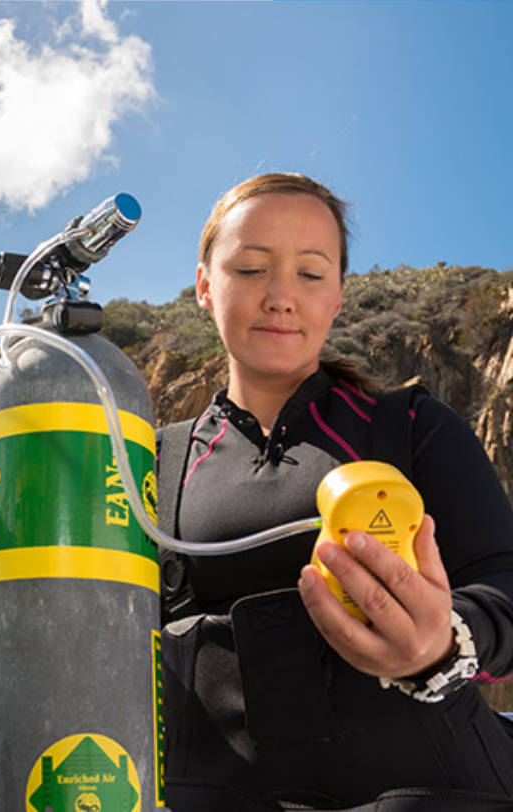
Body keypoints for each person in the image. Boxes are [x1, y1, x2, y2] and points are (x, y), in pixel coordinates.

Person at [156, 172, 513, 811]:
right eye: (250, 268)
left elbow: (505, 584)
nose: (281, 297)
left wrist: (441, 644)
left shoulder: (413, 426)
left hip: (427, 791)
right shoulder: (154, 461)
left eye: (311, 274)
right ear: (206, 287)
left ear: (339, 297)